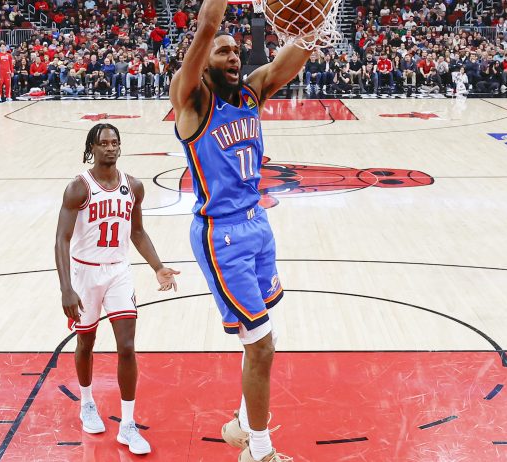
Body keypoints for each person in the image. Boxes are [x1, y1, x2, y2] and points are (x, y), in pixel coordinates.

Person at [169, 0, 319, 457]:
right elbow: (208, 24)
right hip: (223, 235)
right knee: (261, 345)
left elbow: (294, 55)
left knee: (264, 335)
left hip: (258, 224)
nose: (234, 57)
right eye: (223, 53)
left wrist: (315, 21)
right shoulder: (191, 101)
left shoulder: (253, 92)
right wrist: (209, 33)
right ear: (203, 62)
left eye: (236, 51)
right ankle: (258, 449)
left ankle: (240, 422)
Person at [54, 123, 179, 455]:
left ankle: (127, 424)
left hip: (119, 272)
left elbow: (137, 232)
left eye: (115, 142)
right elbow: (61, 239)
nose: (110, 147)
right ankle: (87, 402)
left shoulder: (134, 186)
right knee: (86, 341)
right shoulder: (78, 188)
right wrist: (66, 288)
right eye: (103, 143)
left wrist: (157, 266)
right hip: (85, 274)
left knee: (127, 346)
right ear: (91, 148)